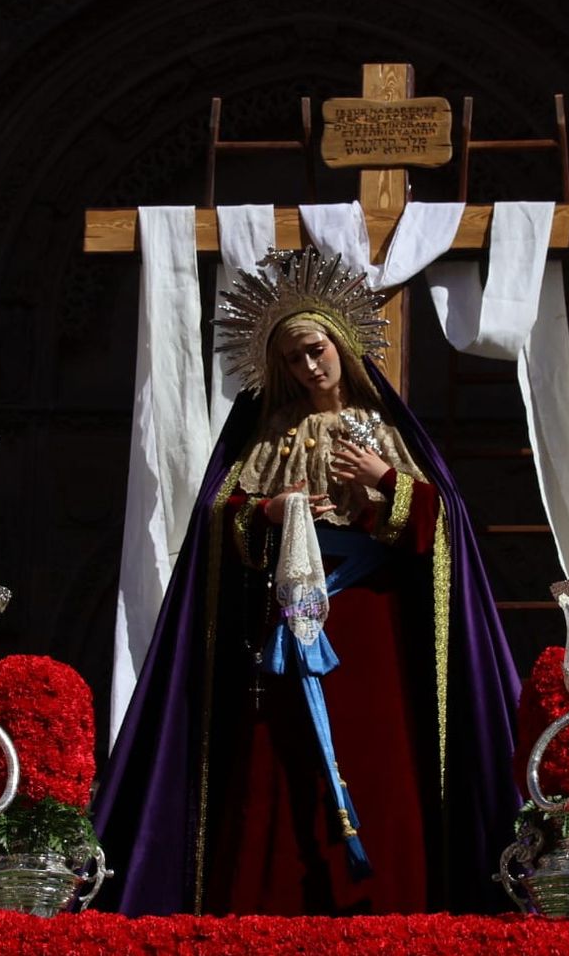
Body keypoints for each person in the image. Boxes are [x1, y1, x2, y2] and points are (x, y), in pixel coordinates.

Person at [93, 247, 522, 916]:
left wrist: (381, 482)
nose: (308, 365)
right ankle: (270, 914)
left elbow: (441, 526)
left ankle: (383, 907)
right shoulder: (268, 431)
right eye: (293, 358)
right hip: (290, 620)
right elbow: (221, 522)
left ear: (343, 346)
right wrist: (272, 509)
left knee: (380, 760)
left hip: (370, 628)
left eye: (316, 348)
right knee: (279, 768)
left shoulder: (382, 428)